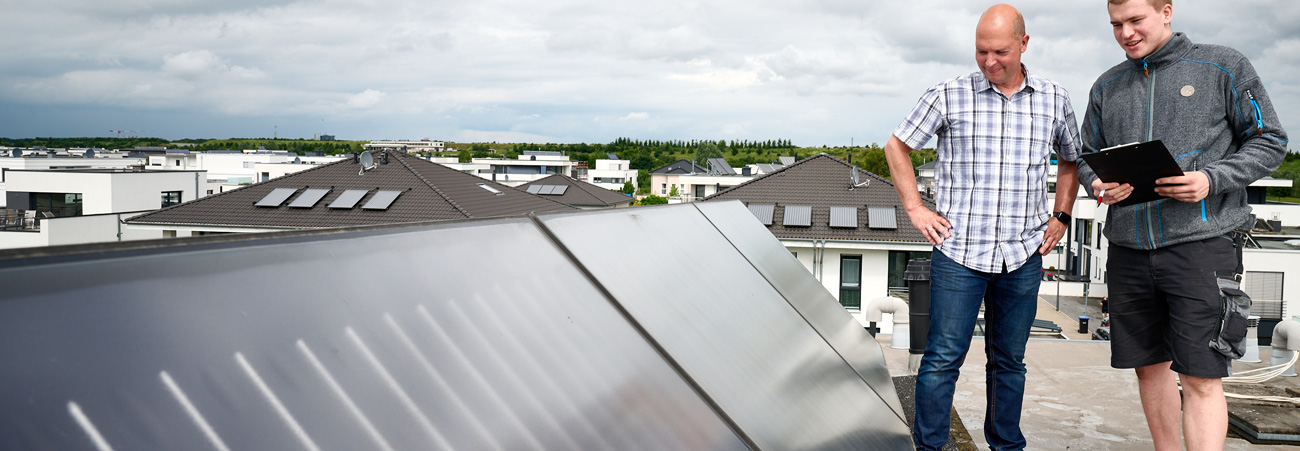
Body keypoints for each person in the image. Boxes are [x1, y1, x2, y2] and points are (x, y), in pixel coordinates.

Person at [1076, 1, 1289, 450]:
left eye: (1136, 21)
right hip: (1129, 251)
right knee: (1148, 367)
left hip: (1201, 247)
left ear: (1167, 11)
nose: (1126, 33)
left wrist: (1211, 180)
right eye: (1116, 25)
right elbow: (1085, 157)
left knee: (1201, 375)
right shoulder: (1107, 85)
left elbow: (1271, 139)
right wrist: (1099, 185)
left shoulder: (1224, 66)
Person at [883, 4, 1080, 450]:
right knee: (941, 361)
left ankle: (1006, 445)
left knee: (1009, 362)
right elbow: (897, 147)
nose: (990, 62)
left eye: (1001, 52)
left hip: (1023, 255)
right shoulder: (948, 94)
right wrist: (915, 209)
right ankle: (930, 446)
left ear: (1024, 45)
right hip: (960, 254)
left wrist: (1062, 214)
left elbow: (1071, 159)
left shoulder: (1055, 98)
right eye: (981, 52)